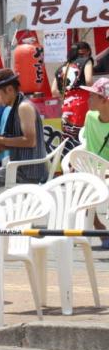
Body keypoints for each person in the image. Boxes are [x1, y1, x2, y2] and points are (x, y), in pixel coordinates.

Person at [0, 69, 47, 208]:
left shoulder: (24, 107)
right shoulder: (15, 106)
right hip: (18, 168)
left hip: (26, 171)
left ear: (9, 89)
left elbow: (29, 141)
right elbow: (15, 141)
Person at [82, 77, 109, 250]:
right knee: (79, 193)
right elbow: (86, 145)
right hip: (92, 170)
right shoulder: (90, 117)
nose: (88, 99)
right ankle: (101, 231)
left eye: (93, 96)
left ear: (105, 100)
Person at [56, 43, 95, 149]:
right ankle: (83, 163)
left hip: (66, 104)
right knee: (83, 135)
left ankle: (68, 163)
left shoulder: (62, 67)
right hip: (83, 103)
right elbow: (89, 81)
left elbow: (54, 90)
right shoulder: (86, 61)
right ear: (87, 51)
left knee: (68, 137)